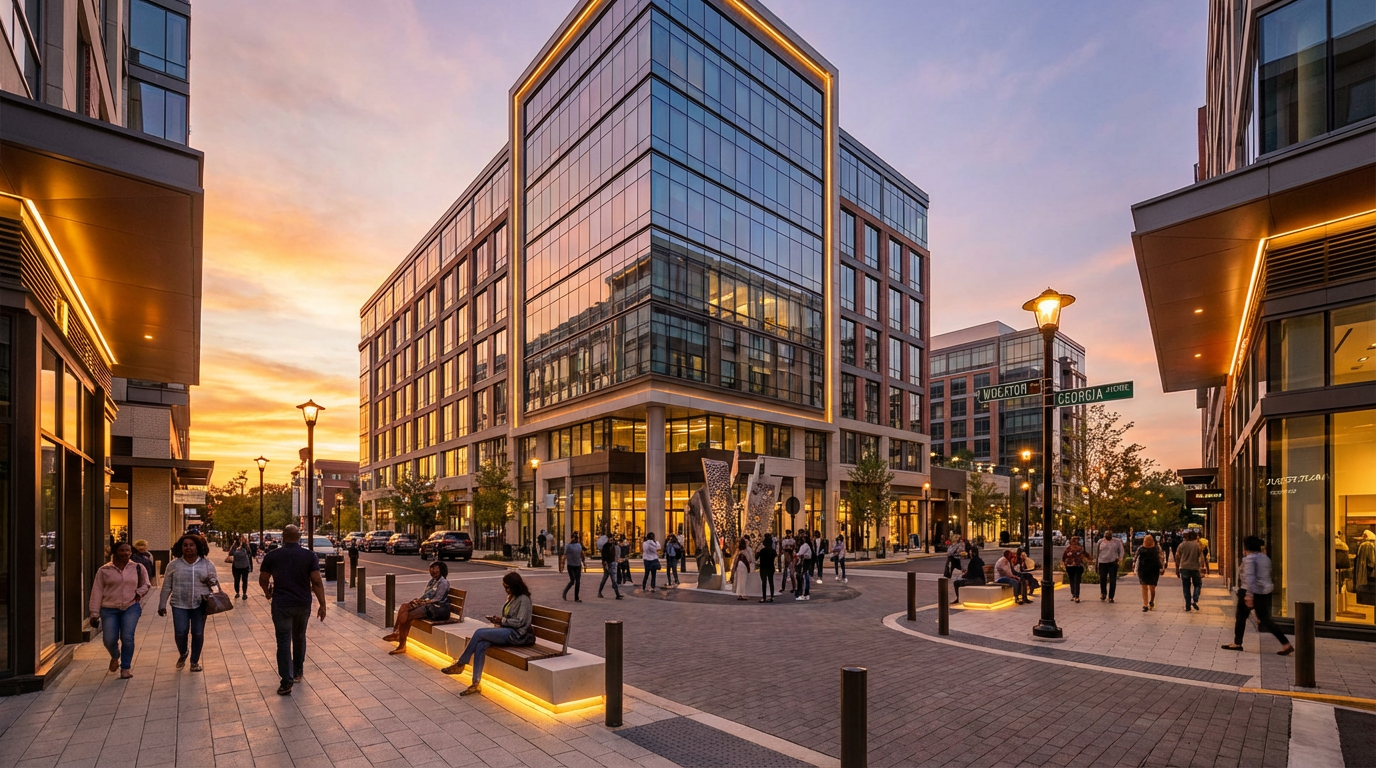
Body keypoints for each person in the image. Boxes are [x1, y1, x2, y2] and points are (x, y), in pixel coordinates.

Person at [259, 525, 327, 696]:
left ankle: (286, 681)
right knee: (299, 636)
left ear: (282, 537)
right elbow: (317, 581)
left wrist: (268, 593)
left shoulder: (272, 556)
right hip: (302, 603)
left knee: (283, 641)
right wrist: (322, 604)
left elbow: (263, 579)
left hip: (281, 603)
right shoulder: (309, 556)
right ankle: (298, 671)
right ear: (299, 537)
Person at [443, 572, 536, 695]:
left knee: (479, 633)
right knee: (481, 644)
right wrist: (498, 620)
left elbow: (520, 621)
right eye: (504, 587)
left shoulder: (523, 599)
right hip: (507, 630)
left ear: (515, 585)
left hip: (517, 634)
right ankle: (475, 683)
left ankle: (461, 663)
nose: (506, 590)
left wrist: (502, 620)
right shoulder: (512, 596)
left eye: (507, 587)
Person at [158, 534, 219, 672]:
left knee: (198, 633)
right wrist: (162, 604)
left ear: (198, 547)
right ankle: (183, 652)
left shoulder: (207, 564)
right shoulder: (173, 565)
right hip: (179, 603)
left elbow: (214, 582)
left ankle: (194, 661)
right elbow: (167, 586)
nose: (188, 548)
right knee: (180, 632)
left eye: (192, 545)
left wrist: (213, 583)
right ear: (181, 547)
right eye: (185, 545)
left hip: (200, 604)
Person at [1223, 536, 1294, 655]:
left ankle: (1237, 643)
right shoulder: (1265, 558)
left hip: (1249, 591)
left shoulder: (1249, 559)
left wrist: (1249, 596)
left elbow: (1249, 578)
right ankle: (1285, 643)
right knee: (1265, 619)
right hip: (1263, 592)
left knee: (1241, 617)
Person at [90, 541, 150, 679]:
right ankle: (115, 656)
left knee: (127, 637)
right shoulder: (104, 570)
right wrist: (94, 613)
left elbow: (146, 584)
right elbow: (97, 591)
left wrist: (139, 592)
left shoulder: (137, 567)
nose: (125, 553)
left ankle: (126, 668)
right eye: (122, 550)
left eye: (128, 550)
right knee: (109, 639)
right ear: (115, 552)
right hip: (109, 608)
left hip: (131, 607)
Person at [385, 561, 450, 654]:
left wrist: (423, 602)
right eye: (431, 569)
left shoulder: (443, 582)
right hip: (428, 606)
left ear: (441, 569)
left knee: (409, 615)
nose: (432, 571)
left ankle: (401, 642)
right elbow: (426, 596)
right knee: (405, 607)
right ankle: (399, 636)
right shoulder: (432, 581)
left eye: (435, 568)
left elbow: (438, 599)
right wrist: (419, 601)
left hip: (438, 609)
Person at [1175, 529, 1206, 611]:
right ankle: (1195, 599)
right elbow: (1202, 558)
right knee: (1198, 584)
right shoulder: (1198, 546)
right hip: (1195, 568)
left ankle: (1187, 605)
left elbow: (1177, 556)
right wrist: (1202, 567)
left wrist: (1177, 568)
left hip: (1184, 567)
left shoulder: (1182, 545)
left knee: (1186, 587)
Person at [1135, 534, 1165, 611]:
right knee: (1152, 587)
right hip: (1154, 569)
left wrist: (1134, 566)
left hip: (1143, 569)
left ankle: (1145, 605)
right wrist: (1162, 567)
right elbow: (1161, 558)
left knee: (1144, 587)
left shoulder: (1141, 549)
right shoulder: (1156, 549)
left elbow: (1135, 558)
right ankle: (1151, 601)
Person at [1095, 530, 1124, 603]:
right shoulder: (1100, 542)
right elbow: (1098, 552)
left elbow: (1121, 550)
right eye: (1106, 535)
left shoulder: (1117, 541)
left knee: (1112, 580)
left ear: (1111, 535)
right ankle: (1103, 593)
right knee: (1103, 579)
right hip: (1102, 562)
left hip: (1112, 562)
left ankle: (1111, 596)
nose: (1107, 537)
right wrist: (1097, 562)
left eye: (1109, 535)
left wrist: (1120, 558)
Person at [1062, 536, 1088, 603]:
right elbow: (1085, 555)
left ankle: (1074, 595)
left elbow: (1064, 557)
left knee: (1072, 580)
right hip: (1078, 566)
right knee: (1077, 581)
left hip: (1069, 566)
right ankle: (1076, 596)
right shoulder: (1080, 548)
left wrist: (1064, 563)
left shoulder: (1068, 549)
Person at [227, 534, 254, 600]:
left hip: (236, 566)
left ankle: (237, 593)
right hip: (245, 566)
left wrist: (234, 545)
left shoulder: (235, 546)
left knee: (237, 580)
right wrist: (251, 566)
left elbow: (230, 553)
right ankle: (244, 594)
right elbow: (250, 556)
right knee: (244, 580)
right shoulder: (246, 546)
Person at [598, 534, 622, 599]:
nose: (611, 540)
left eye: (612, 539)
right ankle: (617, 594)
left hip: (612, 563)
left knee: (610, 579)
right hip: (608, 564)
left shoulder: (613, 546)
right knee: (609, 579)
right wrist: (606, 564)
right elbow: (604, 557)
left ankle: (617, 594)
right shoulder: (605, 546)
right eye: (610, 539)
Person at [562, 532, 584, 602]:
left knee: (578, 582)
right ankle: (565, 592)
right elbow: (564, 555)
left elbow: (581, 554)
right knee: (572, 581)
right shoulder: (568, 546)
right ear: (571, 538)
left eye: (576, 538)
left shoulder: (579, 545)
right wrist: (562, 564)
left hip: (578, 565)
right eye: (574, 537)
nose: (575, 539)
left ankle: (576, 598)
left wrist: (584, 562)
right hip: (571, 565)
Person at [758, 534, 777, 603]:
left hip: (763, 568)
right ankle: (772, 596)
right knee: (771, 582)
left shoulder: (762, 551)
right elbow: (774, 556)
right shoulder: (773, 551)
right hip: (770, 567)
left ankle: (764, 597)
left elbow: (756, 557)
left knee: (764, 582)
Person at [793, 536, 812, 601]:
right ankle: (803, 593)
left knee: (803, 577)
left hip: (805, 562)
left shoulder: (804, 546)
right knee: (801, 577)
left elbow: (799, 554)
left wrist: (795, 555)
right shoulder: (803, 546)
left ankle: (803, 593)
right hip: (804, 562)